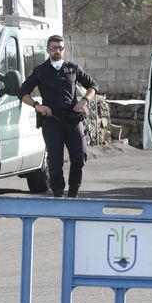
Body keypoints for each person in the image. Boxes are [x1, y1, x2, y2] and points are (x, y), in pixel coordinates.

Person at [19, 35, 98, 198]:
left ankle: (74, 191)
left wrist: (84, 100)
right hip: (51, 121)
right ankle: (58, 193)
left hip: (72, 119)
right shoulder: (40, 70)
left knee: (79, 157)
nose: (57, 51)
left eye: (60, 48)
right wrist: (37, 106)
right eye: (54, 48)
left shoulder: (73, 68)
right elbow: (22, 93)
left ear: (64, 50)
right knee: (55, 161)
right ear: (48, 50)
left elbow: (93, 85)